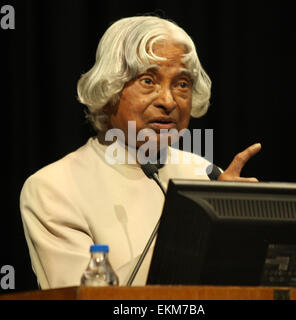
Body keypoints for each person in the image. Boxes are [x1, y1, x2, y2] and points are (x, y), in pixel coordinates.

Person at [20, 16, 261, 289]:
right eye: (148, 80)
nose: (168, 101)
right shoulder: (54, 188)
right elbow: (85, 297)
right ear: (108, 88)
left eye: (182, 84)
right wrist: (194, 228)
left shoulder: (207, 176)